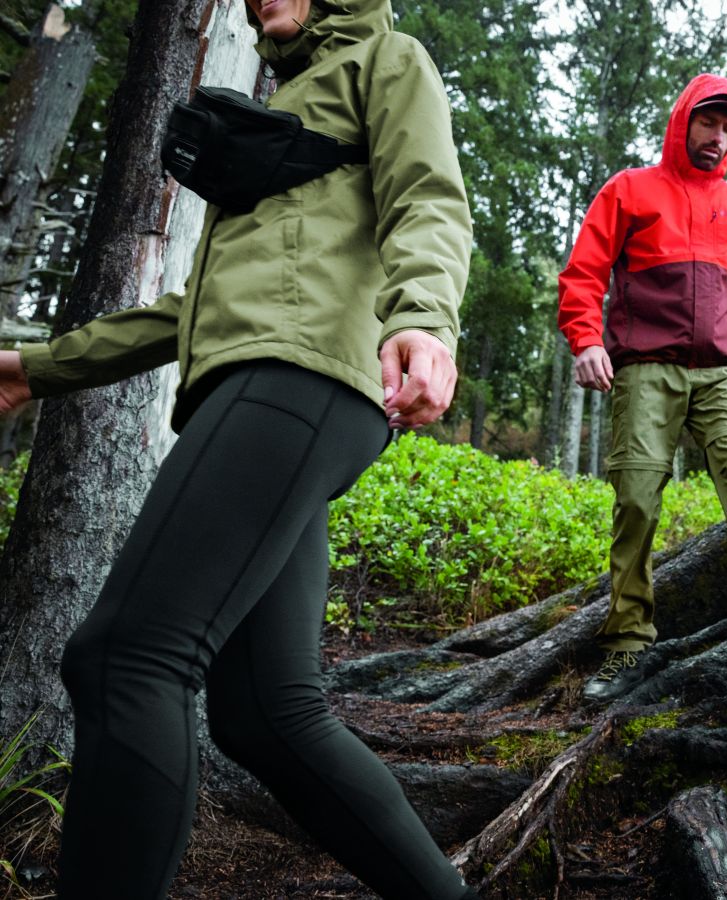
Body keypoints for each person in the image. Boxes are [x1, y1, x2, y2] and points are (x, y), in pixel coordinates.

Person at [0, 0, 478, 896]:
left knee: (126, 658)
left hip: (301, 383)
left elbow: (430, 198)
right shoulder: (283, 106)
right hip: (274, 395)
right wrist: (35, 368)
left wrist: (422, 318)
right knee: (266, 715)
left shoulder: (386, 57)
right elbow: (185, 311)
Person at [557, 73, 727, 705]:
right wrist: (586, 339)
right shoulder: (630, 190)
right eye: (709, 122)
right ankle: (628, 642)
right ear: (685, 120)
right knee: (635, 498)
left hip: (723, 375)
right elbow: (583, 274)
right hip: (643, 368)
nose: (718, 137)